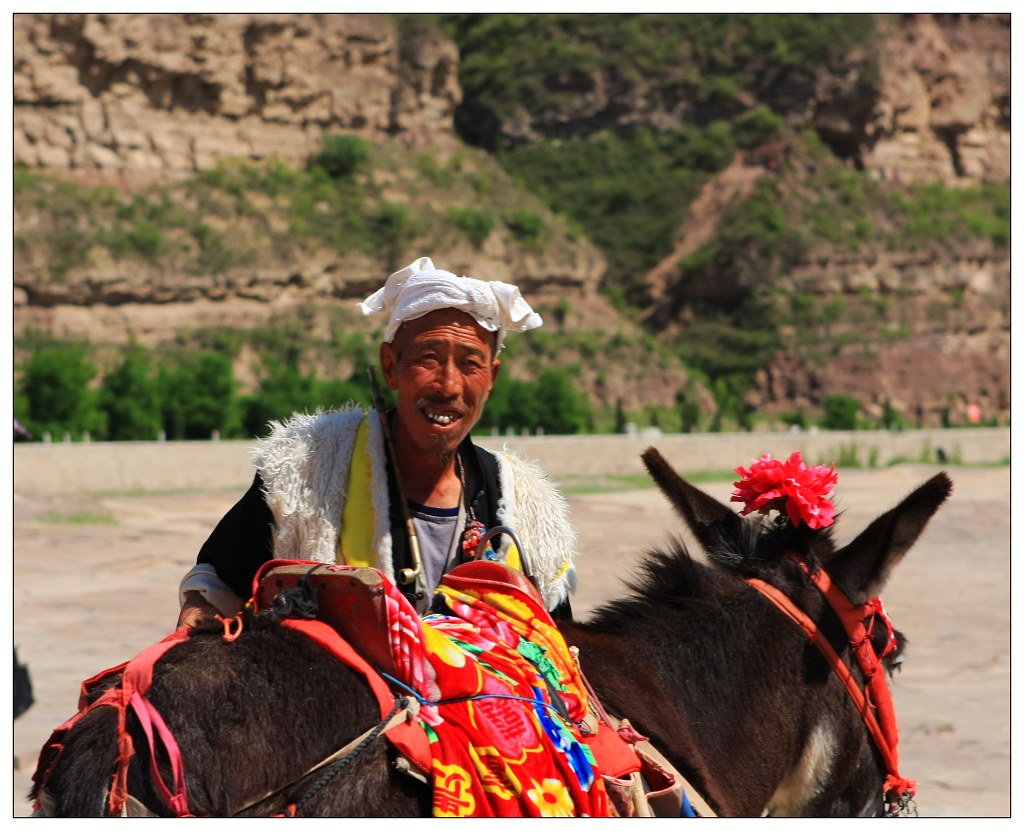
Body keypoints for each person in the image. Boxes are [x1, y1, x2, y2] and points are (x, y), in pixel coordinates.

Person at [177, 256, 578, 627]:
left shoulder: (526, 506)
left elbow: (554, 646)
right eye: (428, 358)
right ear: (390, 367)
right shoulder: (306, 471)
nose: (449, 385)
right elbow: (215, 585)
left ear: (492, 377)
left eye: (470, 364)